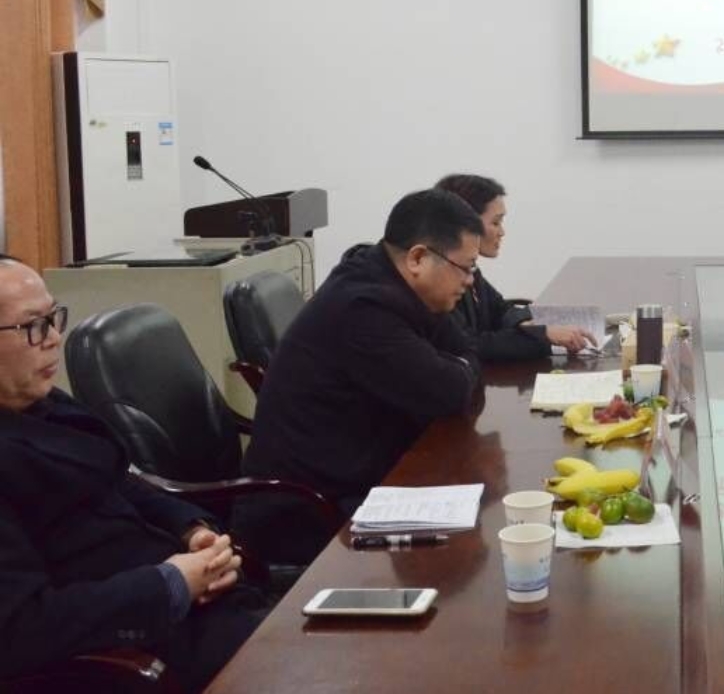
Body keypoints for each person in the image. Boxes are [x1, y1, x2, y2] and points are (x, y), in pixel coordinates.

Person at [0, 255, 261, 693]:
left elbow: (120, 477)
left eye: (54, 318)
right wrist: (171, 584)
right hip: (139, 656)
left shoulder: (40, 402)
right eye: (33, 326)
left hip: (200, 610)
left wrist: (190, 528)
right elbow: (21, 629)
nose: (54, 338)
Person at [239, 189, 485, 563]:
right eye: (465, 267)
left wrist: (460, 366)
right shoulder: (362, 306)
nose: (469, 281)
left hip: (358, 477)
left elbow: (467, 351)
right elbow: (448, 391)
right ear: (418, 258)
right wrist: (461, 367)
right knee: (456, 550)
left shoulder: (398, 285)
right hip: (307, 511)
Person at [435, 174, 596, 360]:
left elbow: (501, 310)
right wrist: (542, 336)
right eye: (495, 222)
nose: (502, 232)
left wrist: (527, 324)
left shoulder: (470, 269)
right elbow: (470, 344)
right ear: (466, 223)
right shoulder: (441, 278)